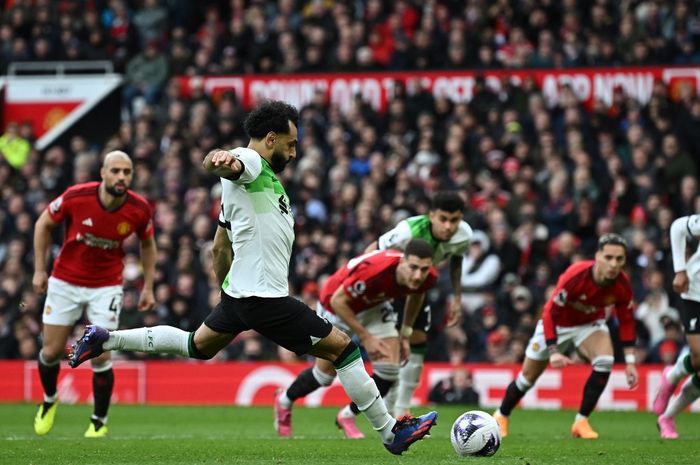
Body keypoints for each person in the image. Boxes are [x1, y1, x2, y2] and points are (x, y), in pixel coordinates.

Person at [68, 100, 436, 455]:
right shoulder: (252, 163)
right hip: (262, 298)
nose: (294, 153)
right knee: (344, 348)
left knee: (197, 345)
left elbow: (218, 248)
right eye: (290, 145)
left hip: (240, 296)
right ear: (271, 139)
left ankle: (106, 339)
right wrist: (219, 159)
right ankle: (390, 432)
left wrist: (229, 292)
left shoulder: (250, 189)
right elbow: (225, 162)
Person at [33, 150, 156, 438]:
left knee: (101, 355)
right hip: (65, 279)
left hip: (106, 285)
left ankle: (99, 420)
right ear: (102, 172)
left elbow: (148, 244)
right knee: (51, 351)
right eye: (115, 171)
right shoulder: (77, 197)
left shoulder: (138, 208)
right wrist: (40, 270)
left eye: (127, 172)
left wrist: (148, 285)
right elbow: (42, 224)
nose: (121, 177)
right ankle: (50, 399)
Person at [275, 240, 437, 439]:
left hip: (373, 304)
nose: (418, 275)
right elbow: (338, 301)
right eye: (413, 268)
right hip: (336, 304)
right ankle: (284, 400)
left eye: (423, 269)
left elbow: (416, 295)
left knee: (390, 370)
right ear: (402, 262)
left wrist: (405, 335)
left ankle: (347, 415)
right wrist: (365, 337)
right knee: (324, 376)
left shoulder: (427, 276)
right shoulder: (377, 272)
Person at [493, 233, 638, 439]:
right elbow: (550, 312)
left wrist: (630, 361)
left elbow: (627, 321)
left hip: (589, 324)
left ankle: (581, 421)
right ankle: (501, 415)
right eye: (609, 257)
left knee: (605, 361)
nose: (614, 264)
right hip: (557, 323)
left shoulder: (623, 284)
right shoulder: (576, 275)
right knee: (527, 379)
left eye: (619, 259)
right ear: (597, 256)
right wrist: (553, 351)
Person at [365, 191, 473, 416]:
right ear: (431, 215)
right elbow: (372, 250)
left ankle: (402, 409)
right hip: (390, 287)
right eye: (443, 219)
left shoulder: (464, 235)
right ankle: (386, 408)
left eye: (454, 220)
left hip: (417, 288)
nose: (448, 226)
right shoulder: (409, 231)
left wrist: (457, 298)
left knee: (418, 339)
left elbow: (456, 261)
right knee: (394, 347)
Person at [653, 214, 700, 439]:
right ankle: (672, 376)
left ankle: (667, 417)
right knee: (699, 356)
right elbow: (678, 226)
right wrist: (680, 270)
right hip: (695, 291)